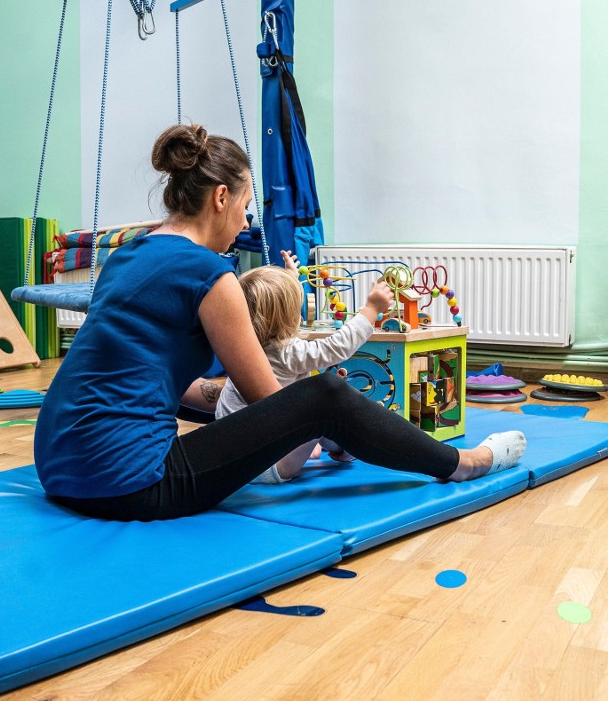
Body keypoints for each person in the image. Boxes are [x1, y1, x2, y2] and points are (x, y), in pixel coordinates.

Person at [34, 122, 526, 522]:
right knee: (324, 394)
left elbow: (158, 379)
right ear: (221, 198)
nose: (246, 224)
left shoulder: (127, 255)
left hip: (56, 467)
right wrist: (334, 424)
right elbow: (275, 404)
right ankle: (463, 464)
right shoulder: (211, 274)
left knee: (288, 403)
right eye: (246, 207)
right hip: (129, 485)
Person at [215, 253, 395, 483]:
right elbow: (338, 347)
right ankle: (346, 446)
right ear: (288, 316)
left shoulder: (247, 349)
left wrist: (291, 276)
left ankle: (324, 446)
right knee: (325, 412)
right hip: (270, 465)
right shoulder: (287, 351)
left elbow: (272, 308)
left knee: (316, 399)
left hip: (229, 458)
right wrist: (371, 308)